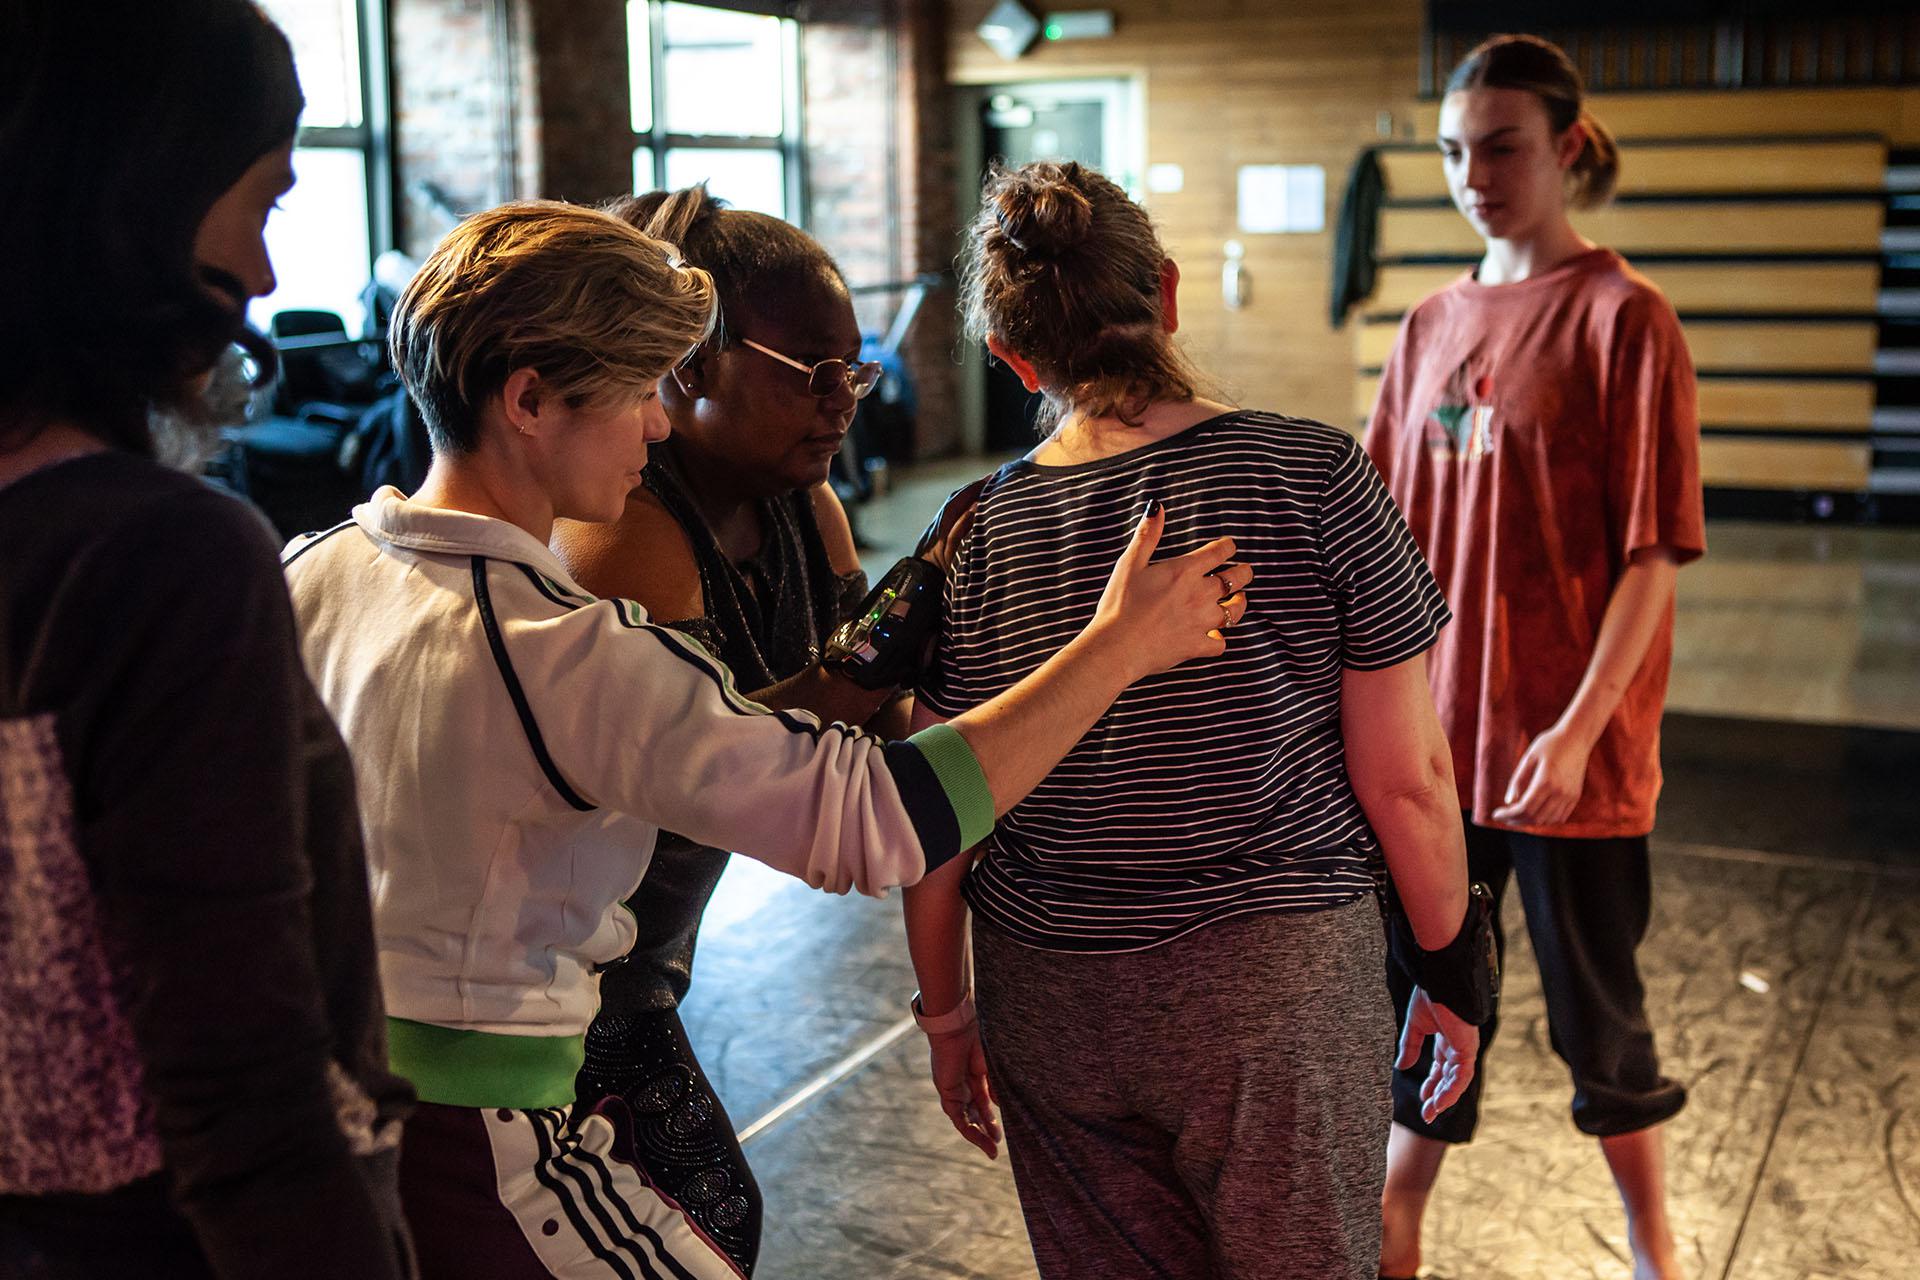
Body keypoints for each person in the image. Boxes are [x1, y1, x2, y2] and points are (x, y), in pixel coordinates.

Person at [280, 197, 1249, 1280]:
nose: (658, 421)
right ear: (529, 399)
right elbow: (875, 815)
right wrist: (1117, 646)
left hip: (315, 1086)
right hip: (476, 1114)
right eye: (643, 390)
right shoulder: (563, 649)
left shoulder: (307, 566)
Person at [902, 159, 1492, 1280]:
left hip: (1048, 993)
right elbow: (1409, 778)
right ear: (1168, 294)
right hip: (1271, 992)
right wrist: (1455, 972)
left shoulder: (974, 530)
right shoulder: (1313, 474)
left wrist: (945, 1015)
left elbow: (938, 805)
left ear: (1014, 359)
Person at [0, 3, 415, 1278]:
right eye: (260, 206)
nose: (269, 277)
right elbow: (246, 1097)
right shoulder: (152, 557)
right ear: (134, 196)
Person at [1363, 33, 1703, 1280]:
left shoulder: (1627, 317)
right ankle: (1397, 1214)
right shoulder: (1430, 321)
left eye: (1500, 146)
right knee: (1435, 998)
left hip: (1574, 766)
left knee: (1598, 1016)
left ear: (1565, 146)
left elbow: (1654, 553)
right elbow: (1381, 531)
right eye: (1453, 150)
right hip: (1434, 759)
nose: (1473, 173)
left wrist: (1576, 727)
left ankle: (1652, 1238)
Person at [547, 185, 932, 1272]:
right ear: (688, 365)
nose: (842, 397)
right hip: (547, 982)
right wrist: (904, 623)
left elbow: (888, 726)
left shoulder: (803, 505)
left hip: (641, 963)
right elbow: (724, 769)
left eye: (850, 368)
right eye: (807, 368)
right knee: (705, 1218)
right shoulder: (623, 533)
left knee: (704, 1222)